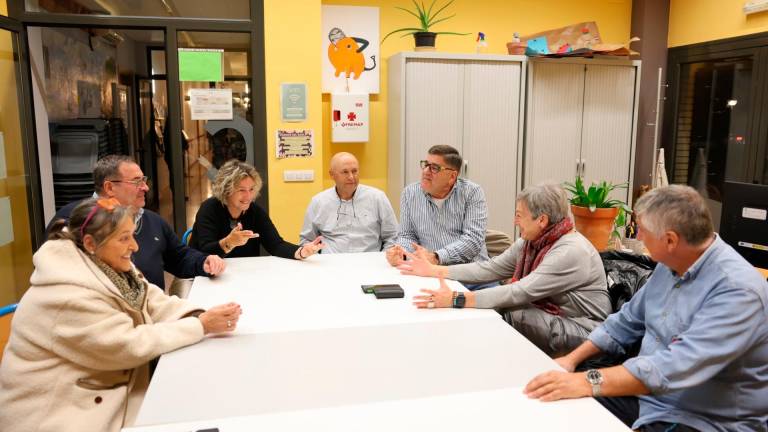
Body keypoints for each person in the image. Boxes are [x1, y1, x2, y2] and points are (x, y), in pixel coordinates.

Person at [523, 185, 768, 431]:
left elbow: (675, 367)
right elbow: (625, 321)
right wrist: (570, 361)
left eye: (642, 230)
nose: (638, 237)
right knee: (555, 408)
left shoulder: (738, 291)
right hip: (649, 396)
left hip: (703, 418)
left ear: (670, 240)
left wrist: (589, 381)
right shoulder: (670, 264)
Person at [0, 198, 242, 432]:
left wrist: (200, 314)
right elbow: (128, 345)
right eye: (124, 238)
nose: (135, 246)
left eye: (132, 235)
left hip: (104, 390)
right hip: (62, 415)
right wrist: (199, 326)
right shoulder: (65, 295)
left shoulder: (103, 261)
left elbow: (151, 299)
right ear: (90, 243)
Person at [405, 183, 611, 356]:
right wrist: (435, 270)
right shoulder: (534, 241)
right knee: (494, 302)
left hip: (585, 331)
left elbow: (520, 291)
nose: (515, 221)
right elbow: (491, 268)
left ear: (542, 220)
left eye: (520, 215)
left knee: (511, 310)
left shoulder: (570, 251)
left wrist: (456, 298)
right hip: (553, 317)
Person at [46, 155, 226, 290]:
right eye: (136, 182)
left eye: (144, 180)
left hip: (150, 313)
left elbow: (179, 257)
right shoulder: (75, 221)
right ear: (109, 187)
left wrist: (204, 262)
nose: (145, 188)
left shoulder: (152, 220)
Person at [190, 159, 323, 259]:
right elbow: (205, 251)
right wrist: (228, 242)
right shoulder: (209, 208)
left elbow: (276, 245)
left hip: (241, 274)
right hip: (205, 272)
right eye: (241, 190)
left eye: (251, 189)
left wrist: (301, 252)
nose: (248, 196)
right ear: (226, 191)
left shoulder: (255, 211)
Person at [385, 144, 488, 268]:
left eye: (434, 168)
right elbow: (407, 235)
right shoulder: (410, 193)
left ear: (452, 176)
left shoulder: (472, 193)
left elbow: (473, 241)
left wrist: (437, 257)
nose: (426, 171)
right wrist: (401, 252)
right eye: (425, 165)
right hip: (431, 271)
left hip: (470, 272)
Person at [299, 152, 398, 253]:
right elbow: (306, 240)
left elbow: (392, 237)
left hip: (369, 262)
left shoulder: (377, 198)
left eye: (354, 171)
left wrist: (385, 257)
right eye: (345, 172)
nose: (351, 177)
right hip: (330, 263)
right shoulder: (319, 201)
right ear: (332, 175)